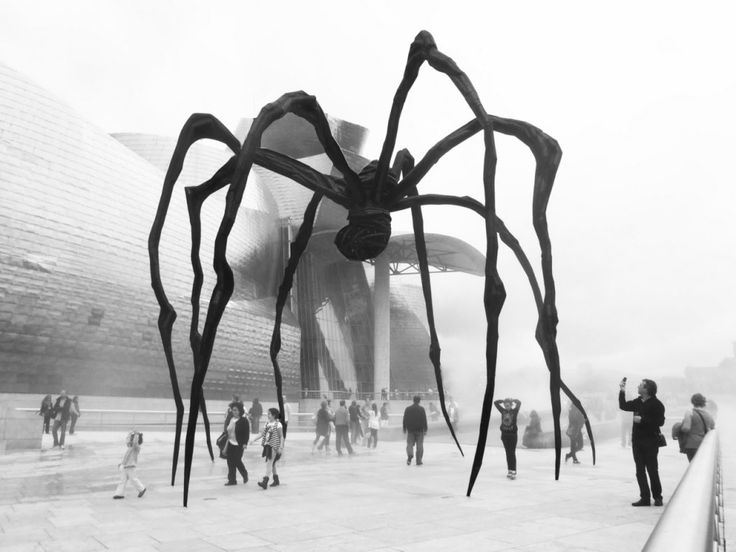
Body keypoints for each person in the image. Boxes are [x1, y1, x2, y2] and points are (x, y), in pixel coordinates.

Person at [619, 378, 666, 507]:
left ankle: (657, 497)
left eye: (640, 385)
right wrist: (622, 390)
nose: (638, 387)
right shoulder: (637, 402)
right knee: (640, 470)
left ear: (646, 389)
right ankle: (644, 497)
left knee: (652, 470)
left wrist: (643, 420)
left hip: (651, 441)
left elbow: (660, 422)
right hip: (637, 441)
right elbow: (623, 406)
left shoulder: (657, 404)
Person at [679, 392, 715, 462]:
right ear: (703, 402)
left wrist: (679, 428)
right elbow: (712, 427)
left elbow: (686, 428)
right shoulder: (708, 415)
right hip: (704, 444)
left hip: (691, 445)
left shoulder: (689, 413)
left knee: (693, 465)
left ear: (692, 402)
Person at [113, 431, 146, 499]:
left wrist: (136, 435)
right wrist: (122, 464)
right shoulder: (129, 448)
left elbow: (135, 443)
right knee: (122, 480)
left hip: (131, 467)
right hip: (125, 467)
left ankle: (142, 489)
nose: (130, 441)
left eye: (131, 439)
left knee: (133, 479)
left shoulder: (136, 448)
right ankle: (119, 494)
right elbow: (126, 458)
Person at [494, 398, 521, 479]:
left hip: (513, 436)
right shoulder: (503, 411)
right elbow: (495, 403)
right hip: (504, 435)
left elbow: (519, 403)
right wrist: (501, 401)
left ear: (511, 405)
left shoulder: (514, 411)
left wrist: (514, 400)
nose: (506, 406)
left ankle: (513, 470)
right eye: (505, 405)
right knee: (507, 453)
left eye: (508, 405)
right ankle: (509, 470)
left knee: (512, 453)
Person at [256, 408, 284, 489]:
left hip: (274, 446)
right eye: (267, 413)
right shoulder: (267, 423)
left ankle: (265, 481)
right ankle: (276, 480)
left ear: (274, 415)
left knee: (269, 463)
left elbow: (281, 436)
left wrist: (281, 447)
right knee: (273, 464)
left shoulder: (278, 424)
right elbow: (262, 434)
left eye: (269, 414)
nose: (267, 415)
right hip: (267, 445)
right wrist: (254, 439)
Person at [224, 403, 250, 486]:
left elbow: (246, 433)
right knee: (230, 462)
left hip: (239, 444)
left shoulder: (244, 420)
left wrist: (245, 443)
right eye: (233, 410)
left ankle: (244, 474)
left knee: (237, 460)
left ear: (240, 411)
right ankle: (232, 480)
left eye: (235, 410)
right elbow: (227, 430)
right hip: (230, 443)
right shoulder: (231, 419)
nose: (234, 412)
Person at [403, 395, 428, 466]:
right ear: (419, 401)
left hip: (410, 430)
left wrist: (404, 428)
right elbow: (424, 420)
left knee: (409, 444)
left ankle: (410, 455)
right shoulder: (421, 409)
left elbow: (405, 419)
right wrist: (425, 429)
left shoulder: (408, 409)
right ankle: (418, 460)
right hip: (420, 430)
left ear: (413, 400)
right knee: (420, 445)